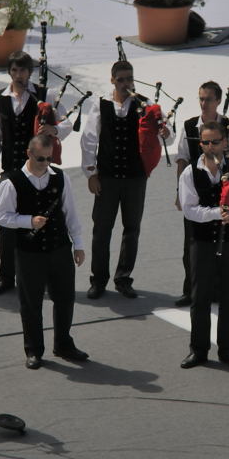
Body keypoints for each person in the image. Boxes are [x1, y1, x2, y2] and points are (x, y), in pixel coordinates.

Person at [0, 134, 87, 370]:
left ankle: (64, 344)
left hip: (59, 248)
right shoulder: (11, 182)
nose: (45, 163)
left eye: (49, 158)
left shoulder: (61, 177)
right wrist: (28, 221)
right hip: (29, 253)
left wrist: (78, 244)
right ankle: (34, 350)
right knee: (31, 303)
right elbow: (2, 217)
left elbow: (71, 213)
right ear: (29, 154)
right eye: (40, 158)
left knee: (65, 298)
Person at [79, 60, 169, 299]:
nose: (126, 84)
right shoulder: (101, 104)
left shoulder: (146, 104)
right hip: (107, 178)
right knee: (101, 230)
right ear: (112, 80)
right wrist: (91, 173)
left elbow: (163, 137)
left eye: (130, 79)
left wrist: (165, 133)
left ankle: (123, 278)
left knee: (132, 229)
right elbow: (88, 140)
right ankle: (98, 280)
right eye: (121, 80)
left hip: (135, 178)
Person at [0, 51, 70, 296]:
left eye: (23, 70)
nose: (18, 75)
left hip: (39, 168)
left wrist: (53, 129)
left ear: (29, 72)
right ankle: (6, 276)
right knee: (7, 224)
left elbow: (68, 123)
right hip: (11, 169)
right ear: (9, 72)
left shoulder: (45, 95)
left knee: (38, 220)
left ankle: (38, 276)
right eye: (14, 70)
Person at [178, 121, 229, 369]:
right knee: (199, 297)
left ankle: (227, 350)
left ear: (224, 142)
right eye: (205, 142)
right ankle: (199, 350)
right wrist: (217, 213)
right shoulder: (190, 172)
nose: (210, 146)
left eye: (215, 141)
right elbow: (190, 210)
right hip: (202, 242)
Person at [172, 80, 229, 307]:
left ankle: (219, 291)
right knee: (191, 243)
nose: (203, 103)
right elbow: (182, 157)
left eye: (208, 99)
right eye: (201, 98)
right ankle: (191, 289)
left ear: (218, 101)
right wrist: (179, 191)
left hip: (223, 190)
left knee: (222, 242)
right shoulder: (190, 125)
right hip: (196, 187)